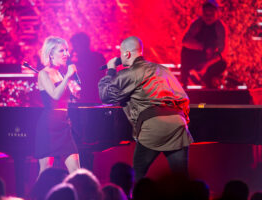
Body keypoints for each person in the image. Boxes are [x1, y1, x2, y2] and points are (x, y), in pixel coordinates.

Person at [98, 36, 193, 181]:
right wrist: (181, 120)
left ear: (126, 54)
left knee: (137, 175)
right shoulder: (163, 70)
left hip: (154, 126)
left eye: (121, 52)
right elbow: (184, 98)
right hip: (178, 125)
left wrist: (111, 70)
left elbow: (105, 95)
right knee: (182, 179)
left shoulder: (128, 73)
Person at [35, 36, 80, 176]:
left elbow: (66, 98)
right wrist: (67, 77)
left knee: (76, 172)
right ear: (50, 54)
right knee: (45, 173)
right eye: (62, 51)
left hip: (64, 125)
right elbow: (54, 95)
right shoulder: (43, 74)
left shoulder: (60, 73)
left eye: (67, 50)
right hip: (49, 126)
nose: (66, 54)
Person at [181, 0, 227, 88]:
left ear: (217, 14)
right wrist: (203, 47)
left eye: (211, 14)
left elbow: (222, 52)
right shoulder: (197, 23)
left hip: (211, 59)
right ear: (202, 13)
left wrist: (206, 65)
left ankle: (209, 81)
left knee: (222, 63)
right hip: (198, 56)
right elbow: (185, 41)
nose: (208, 17)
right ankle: (184, 81)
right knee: (185, 52)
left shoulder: (220, 27)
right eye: (206, 14)